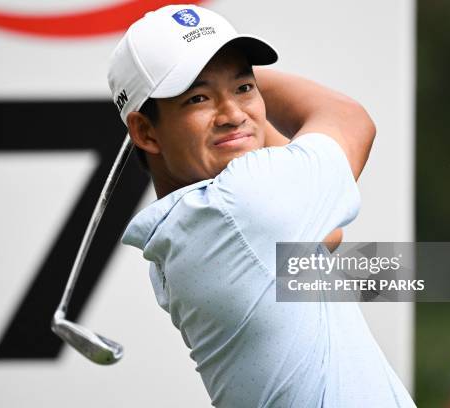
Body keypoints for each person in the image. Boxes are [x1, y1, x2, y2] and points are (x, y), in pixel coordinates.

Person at [108, 4, 416, 407]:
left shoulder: (194, 227)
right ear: (145, 131)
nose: (233, 114)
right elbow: (349, 119)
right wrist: (245, 79)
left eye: (243, 88)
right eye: (198, 97)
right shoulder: (240, 208)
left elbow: (329, 235)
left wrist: (211, 75)